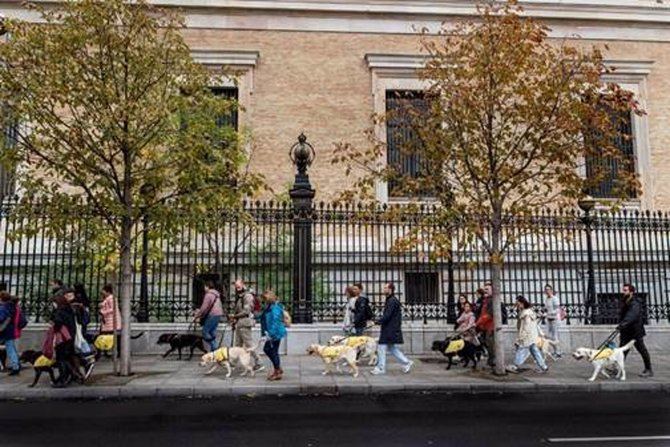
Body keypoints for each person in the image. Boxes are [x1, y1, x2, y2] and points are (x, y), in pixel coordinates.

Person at [370, 282, 413, 375]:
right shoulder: (391, 300)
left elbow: (387, 315)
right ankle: (406, 362)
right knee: (391, 348)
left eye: (385, 288)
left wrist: (376, 322)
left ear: (390, 289)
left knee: (381, 347)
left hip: (390, 329)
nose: (384, 289)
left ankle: (381, 368)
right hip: (390, 328)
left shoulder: (392, 301)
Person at [618, 283, 653, 378]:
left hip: (635, 331)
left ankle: (649, 369)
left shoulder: (635, 302)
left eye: (625, 290)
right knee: (622, 351)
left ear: (631, 292)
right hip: (626, 331)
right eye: (623, 290)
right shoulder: (626, 301)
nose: (623, 292)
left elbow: (632, 315)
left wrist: (623, 323)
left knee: (642, 349)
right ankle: (618, 369)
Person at [507, 296, 548, 374]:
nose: (516, 305)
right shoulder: (528, 311)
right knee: (534, 351)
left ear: (522, 303)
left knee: (521, 349)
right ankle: (543, 367)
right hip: (532, 336)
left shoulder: (526, 314)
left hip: (527, 336)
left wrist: (520, 338)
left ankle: (515, 365)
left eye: (518, 303)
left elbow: (526, 327)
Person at [229, 279, 263, 372]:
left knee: (249, 345)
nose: (237, 288)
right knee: (237, 345)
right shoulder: (240, 296)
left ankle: (259, 362)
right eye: (236, 286)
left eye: (238, 286)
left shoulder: (247, 296)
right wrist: (235, 319)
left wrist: (234, 316)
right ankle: (232, 363)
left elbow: (246, 311)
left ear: (243, 285)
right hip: (240, 323)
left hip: (245, 323)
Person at [51, 291, 83, 386]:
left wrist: (53, 326)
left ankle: (65, 377)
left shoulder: (59, 311)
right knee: (68, 357)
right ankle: (72, 375)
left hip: (62, 339)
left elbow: (58, 323)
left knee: (61, 358)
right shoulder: (69, 309)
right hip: (70, 337)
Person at [260, 290, 287, 381]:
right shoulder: (270, 306)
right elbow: (264, 317)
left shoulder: (275, 307)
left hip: (274, 333)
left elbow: (275, 322)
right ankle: (277, 369)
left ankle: (277, 370)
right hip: (272, 333)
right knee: (272, 351)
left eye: (264, 299)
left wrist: (270, 334)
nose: (263, 301)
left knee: (270, 350)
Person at [195, 281, 223, 352]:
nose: (204, 288)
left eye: (205, 287)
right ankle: (214, 350)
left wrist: (198, 314)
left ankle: (215, 347)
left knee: (205, 332)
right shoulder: (216, 294)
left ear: (207, 287)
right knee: (212, 331)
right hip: (218, 314)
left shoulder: (208, 295)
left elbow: (204, 307)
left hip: (212, 315)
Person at [0, 291, 22, 375]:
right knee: (11, 349)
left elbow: (1, 318)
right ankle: (16, 366)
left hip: (3, 331)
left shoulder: (3, 307)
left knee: (10, 349)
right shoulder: (12, 306)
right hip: (10, 330)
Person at [475, 283, 496, 368]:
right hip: (484, 326)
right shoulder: (485, 300)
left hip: (490, 326)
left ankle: (492, 361)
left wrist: (478, 322)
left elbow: (489, 314)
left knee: (490, 343)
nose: (485, 291)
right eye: (485, 289)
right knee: (484, 342)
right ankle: (491, 360)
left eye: (487, 289)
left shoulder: (492, 300)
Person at [99, 284, 122, 355]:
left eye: (104, 290)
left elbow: (113, 309)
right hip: (108, 321)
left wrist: (103, 312)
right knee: (110, 337)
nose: (102, 292)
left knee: (106, 336)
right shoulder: (108, 298)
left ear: (107, 291)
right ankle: (106, 351)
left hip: (111, 322)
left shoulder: (111, 298)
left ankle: (104, 351)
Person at [543, 284, 562, 358]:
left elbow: (557, 309)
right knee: (547, 335)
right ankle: (555, 351)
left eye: (548, 289)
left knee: (554, 336)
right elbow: (546, 309)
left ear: (551, 290)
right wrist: (544, 313)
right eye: (546, 290)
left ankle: (558, 352)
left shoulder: (555, 298)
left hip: (555, 319)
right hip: (549, 319)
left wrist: (548, 313)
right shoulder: (547, 299)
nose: (547, 291)